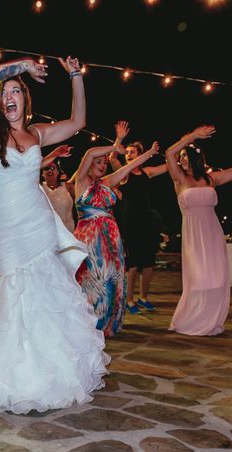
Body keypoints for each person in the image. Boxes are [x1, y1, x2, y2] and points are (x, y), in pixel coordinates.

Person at [0, 56, 110, 414]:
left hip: (37, 221)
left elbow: (78, 122)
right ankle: (13, 375)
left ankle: (50, 373)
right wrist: (21, 66)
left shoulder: (38, 133)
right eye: (4, 92)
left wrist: (75, 76)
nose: (9, 96)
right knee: (16, 291)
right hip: (5, 226)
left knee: (45, 288)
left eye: (16, 92)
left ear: (26, 99)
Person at [166, 126, 232, 336]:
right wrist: (191, 136)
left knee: (216, 277)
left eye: (185, 155)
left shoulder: (211, 179)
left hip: (212, 232)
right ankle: (192, 319)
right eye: (180, 156)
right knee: (199, 278)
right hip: (193, 233)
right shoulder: (179, 179)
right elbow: (169, 153)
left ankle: (211, 319)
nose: (181, 159)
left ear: (195, 157)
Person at [73, 121, 159, 337]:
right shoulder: (82, 180)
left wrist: (149, 153)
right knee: (90, 280)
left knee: (110, 280)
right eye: (99, 162)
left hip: (110, 239)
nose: (102, 165)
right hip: (89, 238)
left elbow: (130, 167)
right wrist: (115, 144)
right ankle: (87, 323)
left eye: (104, 163)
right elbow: (91, 151)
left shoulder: (108, 181)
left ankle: (106, 322)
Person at [109, 136, 169, 314]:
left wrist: (175, 158)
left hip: (147, 222)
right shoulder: (124, 173)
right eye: (126, 152)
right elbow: (112, 158)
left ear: (141, 155)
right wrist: (119, 139)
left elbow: (166, 167)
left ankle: (143, 297)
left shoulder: (147, 172)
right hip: (130, 223)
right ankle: (129, 300)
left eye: (132, 152)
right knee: (133, 264)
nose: (128, 155)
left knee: (149, 263)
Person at [40, 145, 76, 232]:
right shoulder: (39, 188)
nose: (50, 171)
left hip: (68, 234)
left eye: (53, 168)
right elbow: (32, 169)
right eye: (46, 168)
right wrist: (55, 154)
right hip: (46, 234)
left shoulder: (68, 187)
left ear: (58, 171)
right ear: (42, 173)